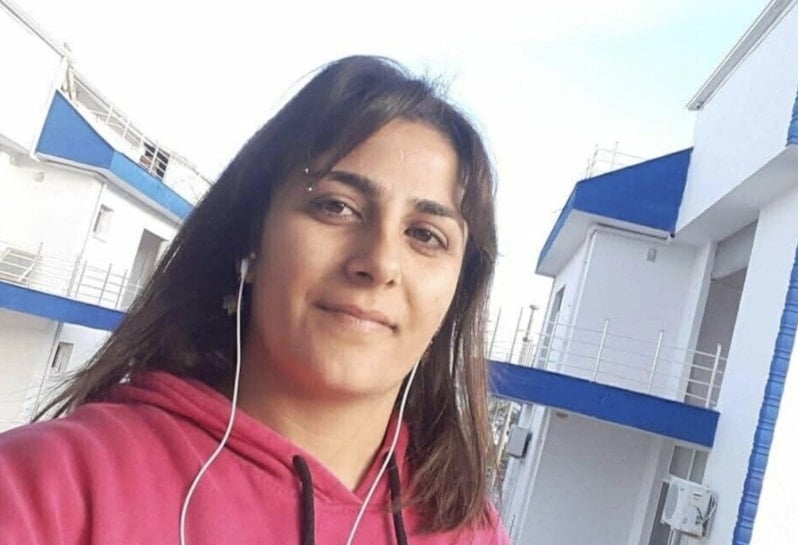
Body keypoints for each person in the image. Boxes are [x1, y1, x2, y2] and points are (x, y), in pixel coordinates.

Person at [0, 55, 508, 545]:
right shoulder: (47, 490)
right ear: (252, 238)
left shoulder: (467, 530)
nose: (379, 263)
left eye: (425, 235)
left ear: (455, 294)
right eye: (337, 207)